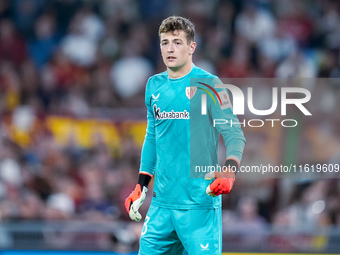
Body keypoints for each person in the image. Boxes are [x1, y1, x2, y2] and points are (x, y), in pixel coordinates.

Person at [125, 16, 246, 255]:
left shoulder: (210, 85)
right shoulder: (154, 85)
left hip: (199, 206)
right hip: (161, 207)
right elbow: (152, 137)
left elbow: (234, 133)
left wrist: (229, 170)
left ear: (191, 47)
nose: (170, 48)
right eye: (165, 42)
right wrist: (141, 185)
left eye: (177, 42)